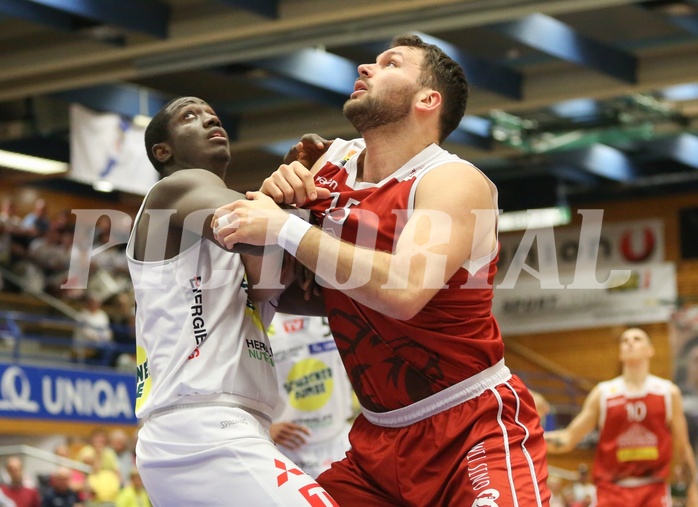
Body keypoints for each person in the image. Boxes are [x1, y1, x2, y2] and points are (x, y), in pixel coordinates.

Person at [214, 34, 549, 506]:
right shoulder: (328, 166)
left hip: (470, 427)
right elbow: (276, 291)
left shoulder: (452, 180)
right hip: (377, 441)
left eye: (389, 64)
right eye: (370, 61)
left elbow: (404, 290)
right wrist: (275, 196)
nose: (365, 68)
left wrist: (284, 227)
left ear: (428, 100)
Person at [125, 96, 337, 506]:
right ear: (162, 151)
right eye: (190, 116)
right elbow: (252, 229)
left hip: (213, 430)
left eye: (213, 115)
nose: (208, 119)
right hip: (204, 428)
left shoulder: (234, 248)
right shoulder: (174, 188)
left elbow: (330, 295)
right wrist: (310, 185)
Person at [545, 327, 698, 507]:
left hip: (653, 490)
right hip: (610, 491)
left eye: (637, 339)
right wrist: (527, 437)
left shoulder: (667, 392)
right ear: (620, 354)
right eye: (625, 340)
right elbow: (569, 438)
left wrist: (693, 491)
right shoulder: (603, 393)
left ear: (650, 350)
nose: (630, 342)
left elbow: (682, 447)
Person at [268, 313, 356, 479]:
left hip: (341, 441)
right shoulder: (262, 318)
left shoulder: (326, 308)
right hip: (286, 452)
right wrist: (263, 428)